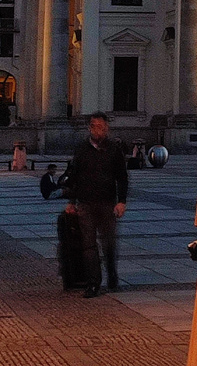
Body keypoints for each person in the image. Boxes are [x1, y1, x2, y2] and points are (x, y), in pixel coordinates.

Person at [65, 112, 128, 297]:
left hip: (107, 203)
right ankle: (93, 283)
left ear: (107, 128)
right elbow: (74, 177)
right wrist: (71, 202)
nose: (98, 131)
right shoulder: (82, 149)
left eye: (102, 127)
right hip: (86, 203)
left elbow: (122, 178)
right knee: (89, 245)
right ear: (89, 128)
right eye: (95, 127)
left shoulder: (114, 150)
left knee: (109, 243)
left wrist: (121, 202)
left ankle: (112, 274)